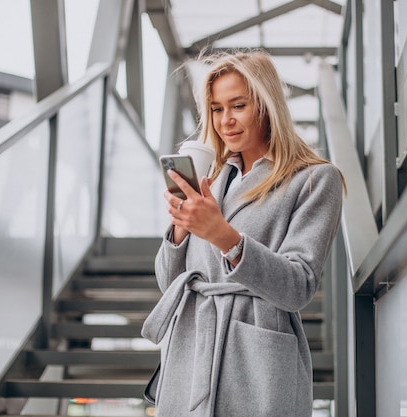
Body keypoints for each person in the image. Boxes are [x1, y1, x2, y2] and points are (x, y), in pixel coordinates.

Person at [141, 49, 344, 417]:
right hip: (192, 345)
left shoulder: (314, 180)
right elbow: (169, 282)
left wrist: (225, 237)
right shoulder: (211, 179)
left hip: (256, 357)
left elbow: (298, 286)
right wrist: (180, 231)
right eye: (217, 109)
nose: (225, 121)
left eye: (238, 105)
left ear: (267, 106)